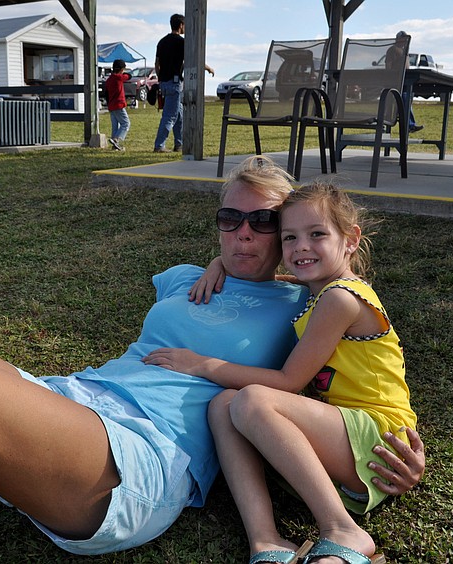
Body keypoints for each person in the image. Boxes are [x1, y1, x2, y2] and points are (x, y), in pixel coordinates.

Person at [0, 156, 423, 562]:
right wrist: (223, 260)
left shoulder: (304, 306)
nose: (244, 233)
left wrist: (396, 449)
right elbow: (226, 256)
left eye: (264, 223)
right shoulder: (188, 275)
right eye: (229, 219)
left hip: (140, 457)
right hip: (74, 400)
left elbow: (337, 386)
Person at [143, 177, 417, 563]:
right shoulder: (323, 289)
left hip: (378, 436)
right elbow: (285, 278)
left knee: (252, 399)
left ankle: (343, 530)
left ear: (351, 239)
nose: (301, 247)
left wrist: (201, 363)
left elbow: (289, 382)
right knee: (223, 404)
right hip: (346, 437)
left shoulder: (340, 299)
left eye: (317, 234)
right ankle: (266, 540)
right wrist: (220, 261)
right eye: (289, 238)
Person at [153, 13, 215, 153]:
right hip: (175, 83)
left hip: (164, 82)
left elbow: (157, 64)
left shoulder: (162, 42)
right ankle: (159, 145)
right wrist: (208, 68)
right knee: (170, 116)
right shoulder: (182, 43)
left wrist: (160, 78)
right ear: (181, 25)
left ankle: (179, 144)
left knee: (179, 114)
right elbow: (194, 59)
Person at [385, 31, 422, 134]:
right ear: (398, 39)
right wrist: (390, 78)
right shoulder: (393, 49)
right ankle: (410, 125)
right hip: (396, 82)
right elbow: (388, 65)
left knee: (408, 97)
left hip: (405, 81)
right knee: (405, 98)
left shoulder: (404, 51)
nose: (405, 41)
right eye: (403, 38)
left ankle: (407, 122)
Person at [105, 58, 131, 151]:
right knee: (126, 124)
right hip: (119, 105)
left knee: (115, 126)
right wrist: (124, 73)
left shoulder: (109, 80)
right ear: (121, 69)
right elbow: (129, 76)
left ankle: (114, 146)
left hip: (111, 105)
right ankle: (116, 139)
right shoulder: (119, 77)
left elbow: (106, 94)